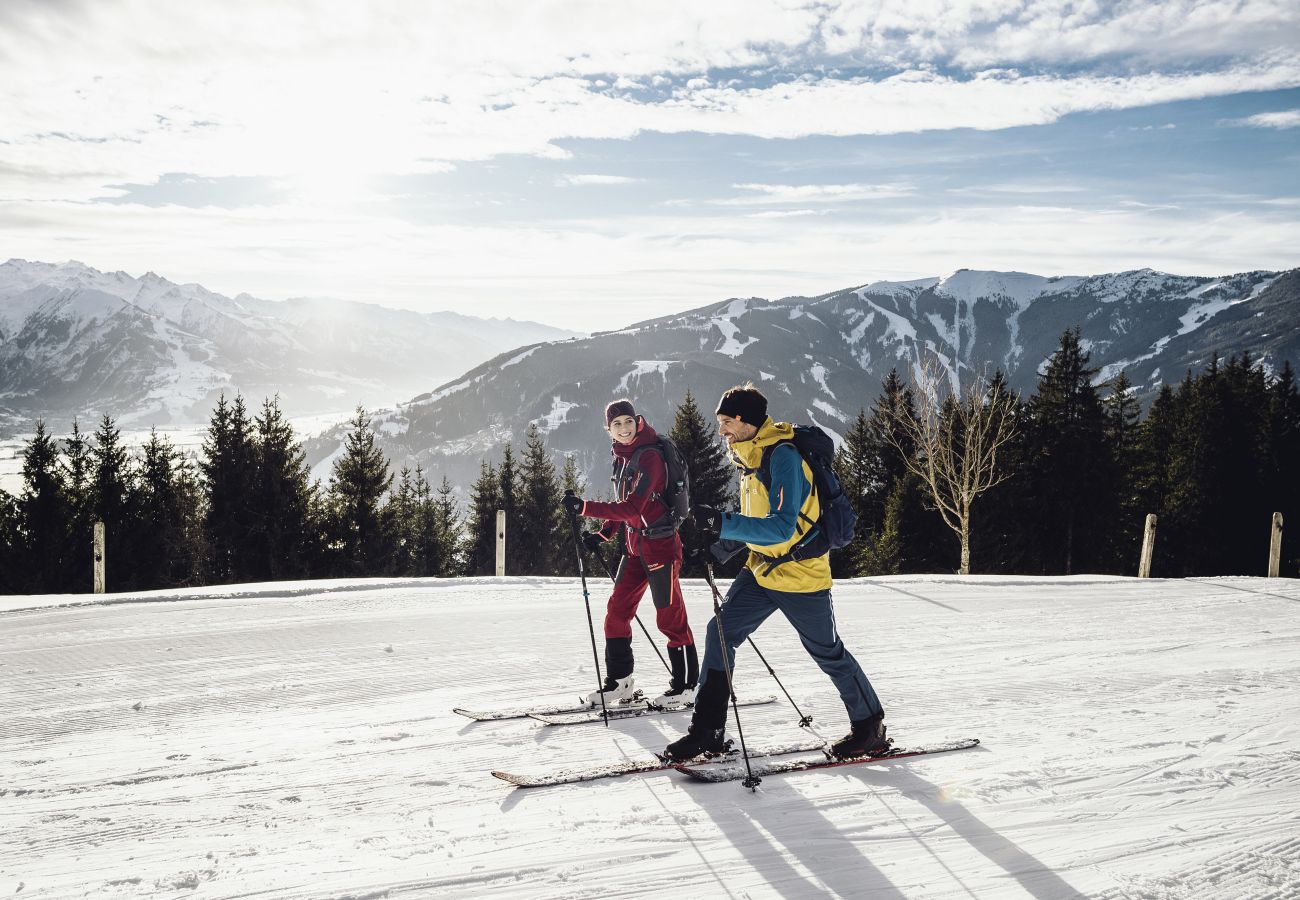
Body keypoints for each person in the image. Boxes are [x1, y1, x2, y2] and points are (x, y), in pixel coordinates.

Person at [662, 383, 888, 761]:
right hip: (762, 570)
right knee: (720, 633)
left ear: (746, 420)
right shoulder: (750, 457)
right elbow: (755, 520)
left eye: (726, 422)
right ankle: (707, 731)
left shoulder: (782, 456)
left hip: (801, 576)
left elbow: (782, 527)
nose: (722, 432)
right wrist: (720, 543)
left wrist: (723, 522)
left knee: (827, 653)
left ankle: (870, 728)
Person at [561, 399, 698, 709]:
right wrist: (604, 533)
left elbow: (635, 507)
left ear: (638, 420)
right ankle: (621, 682)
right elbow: (624, 504)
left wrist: (584, 508)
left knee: (670, 618)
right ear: (608, 429)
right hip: (635, 547)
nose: (623, 429)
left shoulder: (649, 456)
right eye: (616, 424)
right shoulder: (622, 457)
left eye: (627, 422)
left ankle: (687, 686)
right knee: (616, 614)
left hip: (661, 546)